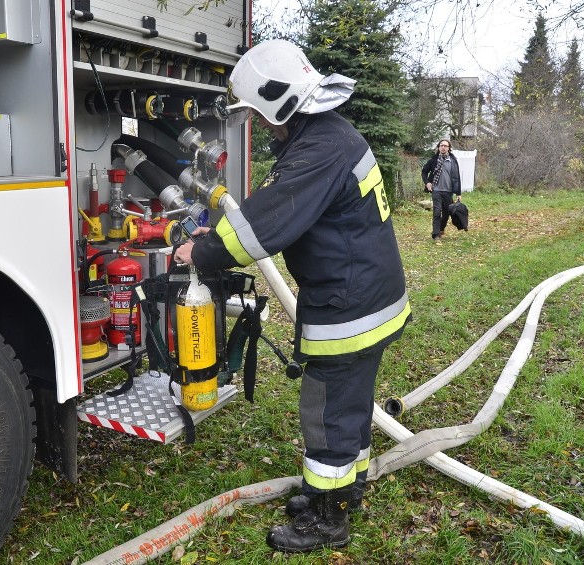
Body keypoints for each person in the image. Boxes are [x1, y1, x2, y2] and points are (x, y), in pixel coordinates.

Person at [173, 39, 411, 554]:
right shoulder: (333, 136)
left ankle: (328, 518)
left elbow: (261, 229)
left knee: (327, 416)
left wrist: (202, 252)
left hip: (349, 311)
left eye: (259, 114)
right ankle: (348, 491)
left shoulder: (318, 151)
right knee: (350, 410)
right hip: (369, 298)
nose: (261, 126)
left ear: (281, 102)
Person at [421, 140, 462, 243]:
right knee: (437, 211)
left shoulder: (453, 161)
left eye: (445, 146)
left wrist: (458, 193)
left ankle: (441, 229)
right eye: (441, 145)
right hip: (436, 190)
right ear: (438, 147)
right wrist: (427, 183)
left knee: (446, 213)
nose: (443, 147)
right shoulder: (433, 160)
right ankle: (435, 234)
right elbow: (424, 171)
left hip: (448, 191)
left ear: (449, 148)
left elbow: (457, 177)